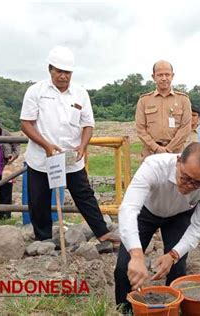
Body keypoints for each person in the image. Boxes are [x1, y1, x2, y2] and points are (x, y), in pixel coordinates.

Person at [20, 45, 119, 244]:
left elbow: (88, 124)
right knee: (39, 199)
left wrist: (83, 146)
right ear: (50, 70)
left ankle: (102, 232)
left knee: (84, 194)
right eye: (59, 71)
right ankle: (43, 239)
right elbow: (26, 124)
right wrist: (46, 145)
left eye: (67, 72)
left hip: (71, 156)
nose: (63, 76)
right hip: (42, 157)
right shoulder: (36, 91)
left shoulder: (80, 93)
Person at [114, 143, 200, 312]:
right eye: (185, 177)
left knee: (177, 268)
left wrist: (173, 255)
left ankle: (171, 310)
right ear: (178, 161)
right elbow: (129, 209)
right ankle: (124, 310)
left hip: (179, 215)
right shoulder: (154, 166)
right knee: (124, 267)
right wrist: (136, 255)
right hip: (147, 212)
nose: (188, 185)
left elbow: (198, 226)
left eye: (197, 183)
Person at [135, 60, 192, 158]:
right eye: (160, 75)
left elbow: (185, 128)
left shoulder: (183, 100)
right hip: (151, 153)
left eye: (167, 74)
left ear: (172, 76)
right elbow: (140, 129)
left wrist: (169, 148)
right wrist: (156, 148)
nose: (164, 78)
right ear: (153, 77)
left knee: (176, 174)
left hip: (175, 153)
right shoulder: (144, 100)